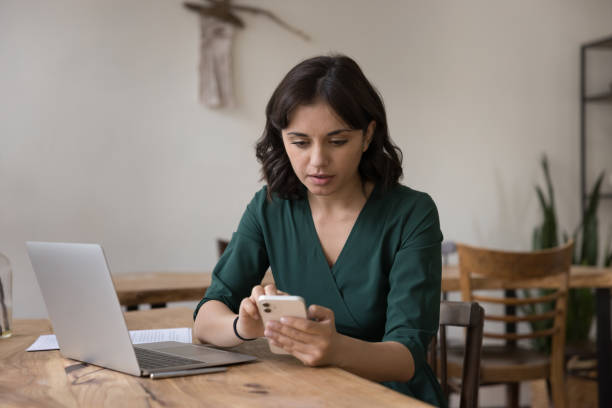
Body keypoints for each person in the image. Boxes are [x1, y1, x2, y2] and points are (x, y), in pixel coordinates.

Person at [193, 54, 445, 407]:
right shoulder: (269, 207)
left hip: (390, 396)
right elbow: (205, 318)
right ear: (282, 139)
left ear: (368, 134)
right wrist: (242, 327)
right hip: (303, 394)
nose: (317, 161)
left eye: (337, 141)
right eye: (299, 142)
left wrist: (337, 349)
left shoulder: (412, 213)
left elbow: (406, 358)